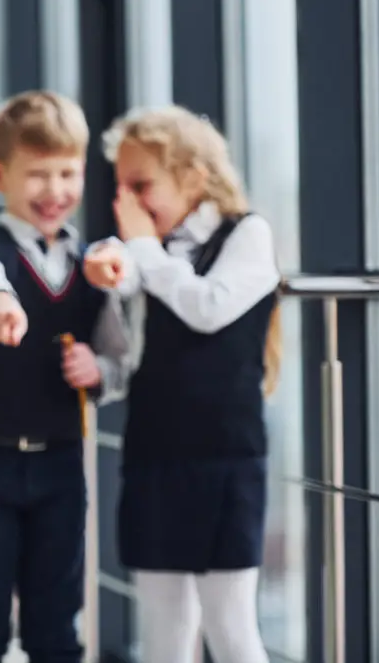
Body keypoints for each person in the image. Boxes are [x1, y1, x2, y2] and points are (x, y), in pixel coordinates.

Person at [0, 90, 131, 663]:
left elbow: (120, 357)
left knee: (56, 626)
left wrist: (100, 371)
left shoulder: (94, 264)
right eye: (38, 174)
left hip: (60, 464)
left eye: (67, 172)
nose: (55, 190)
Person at [83, 105, 280, 663]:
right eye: (121, 189)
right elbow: (117, 260)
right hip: (156, 452)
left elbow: (209, 307)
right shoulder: (145, 247)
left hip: (226, 457)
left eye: (141, 185)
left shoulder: (248, 234)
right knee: (164, 630)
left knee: (231, 624)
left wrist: (141, 249)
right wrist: (109, 259)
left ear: (193, 176)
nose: (129, 205)